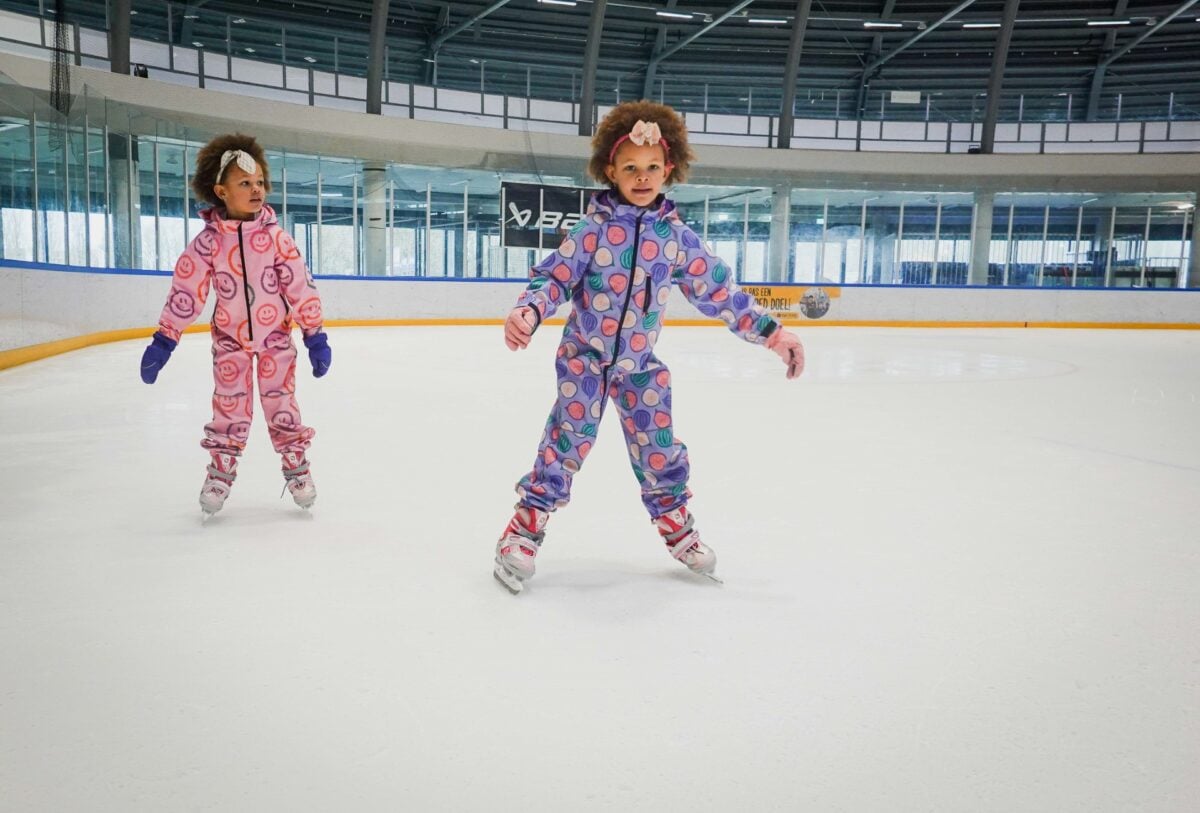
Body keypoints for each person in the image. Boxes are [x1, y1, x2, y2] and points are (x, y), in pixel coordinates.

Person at [493, 101, 804, 594]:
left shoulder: (676, 239)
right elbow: (553, 276)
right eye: (631, 168)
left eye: (653, 167)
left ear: (670, 169)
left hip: (639, 367)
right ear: (610, 171)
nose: (642, 177)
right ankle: (524, 529)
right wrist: (529, 310)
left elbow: (719, 290)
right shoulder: (592, 232)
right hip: (585, 361)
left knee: (659, 450)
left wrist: (773, 332)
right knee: (567, 441)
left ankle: (676, 524)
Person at [139, 133, 332, 517]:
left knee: (282, 403)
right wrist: (165, 338)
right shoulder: (209, 243)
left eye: (260, 182)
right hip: (230, 342)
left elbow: (299, 285)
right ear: (221, 192)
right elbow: (186, 290)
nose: (256, 189)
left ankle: (297, 468)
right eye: (245, 183)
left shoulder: (277, 239)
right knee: (229, 407)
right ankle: (220, 472)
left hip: (276, 338)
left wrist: (315, 334)